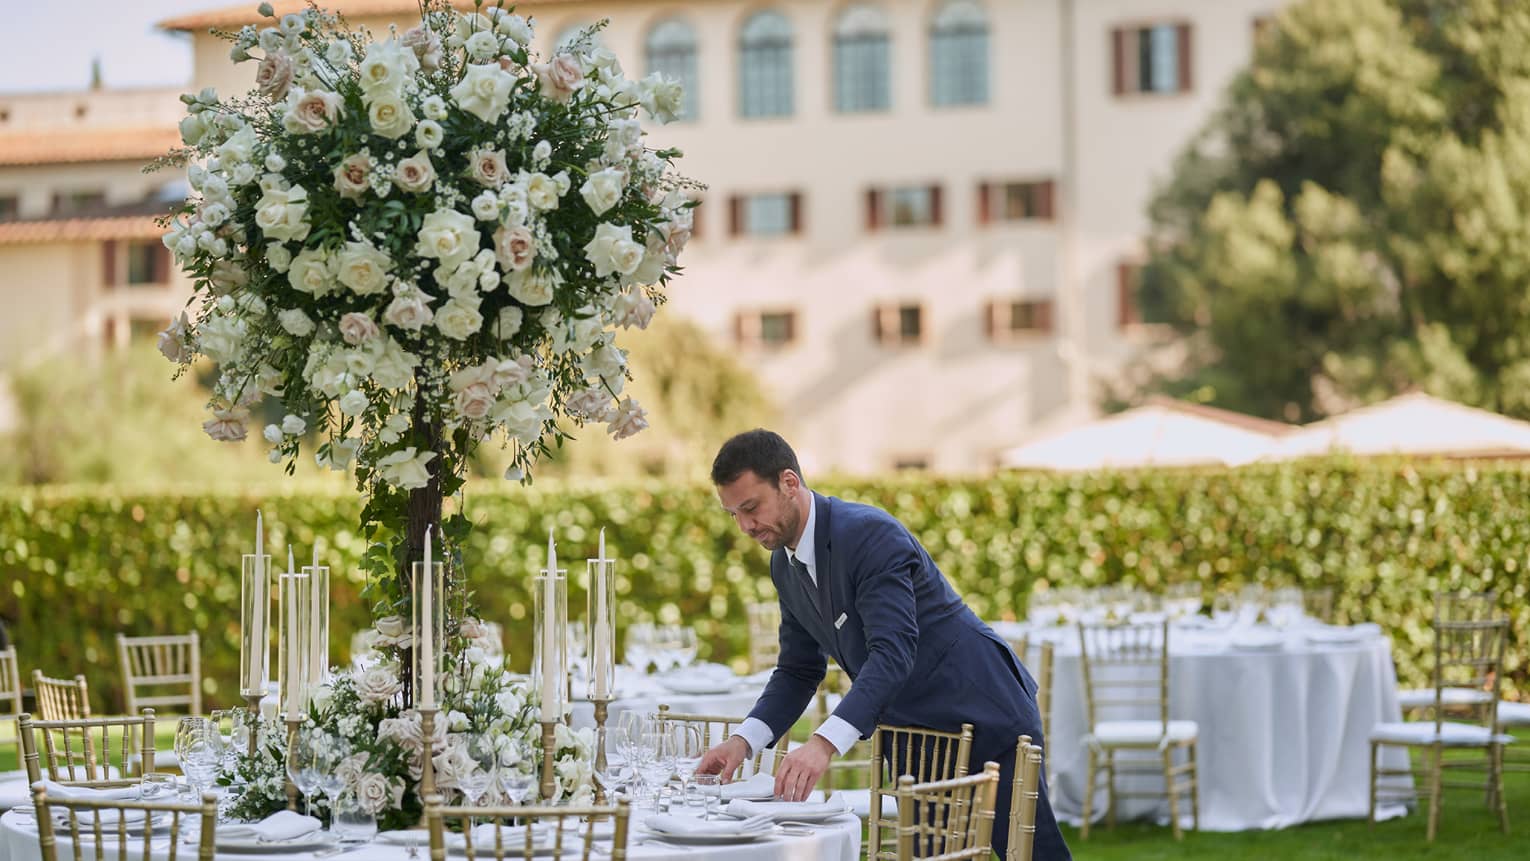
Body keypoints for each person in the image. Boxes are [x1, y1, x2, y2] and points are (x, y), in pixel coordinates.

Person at [695, 429, 1071, 861]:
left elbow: (893, 651)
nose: (745, 526)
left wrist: (822, 744)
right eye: (733, 515)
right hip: (915, 740)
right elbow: (798, 670)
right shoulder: (783, 563)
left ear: (789, 483)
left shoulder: (869, 534)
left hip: (982, 712)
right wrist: (742, 742)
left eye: (750, 507)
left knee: (1034, 856)